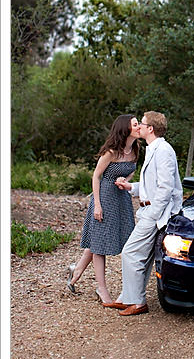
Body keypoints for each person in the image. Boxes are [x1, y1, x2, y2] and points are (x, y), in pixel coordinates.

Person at [105, 111, 183, 316]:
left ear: (151, 129)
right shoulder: (152, 149)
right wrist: (130, 187)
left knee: (131, 251)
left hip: (157, 213)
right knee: (141, 255)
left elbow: (166, 188)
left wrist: (154, 214)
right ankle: (129, 298)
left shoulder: (163, 150)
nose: (138, 125)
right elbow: (152, 185)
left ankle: (137, 302)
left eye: (142, 123)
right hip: (150, 210)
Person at [66, 114, 141, 305]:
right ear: (126, 128)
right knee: (100, 245)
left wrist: (126, 180)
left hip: (122, 200)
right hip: (105, 198)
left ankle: (76, 270)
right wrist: (97, 205)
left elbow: (131, 170)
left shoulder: (136, 149)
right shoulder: (110, 151)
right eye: (135, 124)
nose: (139, 126)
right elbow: (96, 176)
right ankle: (102, 289)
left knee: (105, 239)